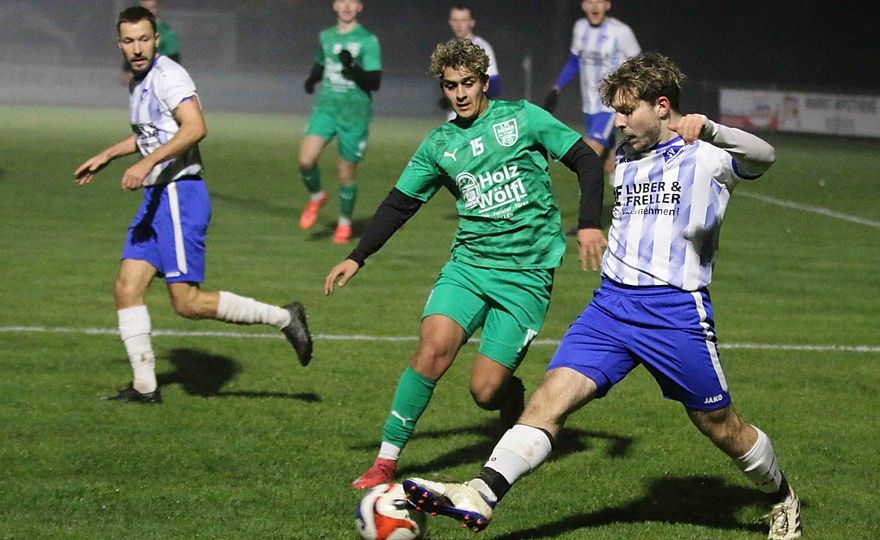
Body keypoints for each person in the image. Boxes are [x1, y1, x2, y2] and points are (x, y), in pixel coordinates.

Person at [403, 52, 803, 540]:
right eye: (615, 111)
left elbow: (765, 156)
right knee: (549, 400)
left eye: (626, 111)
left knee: (720, 424)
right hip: (610, 308)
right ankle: (481, 492)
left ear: (661, 106)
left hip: (673, 311)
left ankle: (780, 496)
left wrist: (713, 130)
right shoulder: (627, 157)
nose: (618, 122)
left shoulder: (707, 155)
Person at [324, 38, 606, 489]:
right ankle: (386, 460)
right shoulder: (439, 144)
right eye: (451, 85)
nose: (460, 93)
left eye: (468, 83)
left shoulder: (523, 118)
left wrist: (589, 223)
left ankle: (510, 393)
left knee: (485, 391)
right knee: (431, 350)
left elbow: (587, 161)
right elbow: (400, 203)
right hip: (469, 266)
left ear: (484, 82)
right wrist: (358, 256)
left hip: (526, 274)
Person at [73, 6, 313, 403]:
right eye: (129, 41)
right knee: (126, 288)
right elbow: (151, 134)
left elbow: (196, 127)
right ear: (120, 45)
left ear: (156, 39)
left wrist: (146, 164)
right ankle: (145, 387)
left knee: (186, 303)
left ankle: (284, 317)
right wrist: (109, 154)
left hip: (179, 195)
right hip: (156, 198)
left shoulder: (169, 76)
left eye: (144, 39)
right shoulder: (139, 81)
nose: (137, 48)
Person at [298, 0, 382, 244]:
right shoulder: (326, 36)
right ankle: (316, 197)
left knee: (345, 173)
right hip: (326, 109)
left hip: (354, 114)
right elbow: (321, 62)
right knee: (305, 161)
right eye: (342, 1)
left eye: (352, 2)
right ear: (335, 5)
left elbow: (374, 81)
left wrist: (351, 65)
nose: (346, 6)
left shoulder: (368, 40)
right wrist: (311, 80)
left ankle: (344, 224)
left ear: (359, 7)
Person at [542, 0, 640, 179]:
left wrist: (631, 94)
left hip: (610, 105)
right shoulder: (580, 28)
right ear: (583, 6)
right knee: (608, 161)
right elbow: (574, 61)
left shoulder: (621, 31)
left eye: (599, 2)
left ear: (607, 5)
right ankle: (623, 190)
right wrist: (557, 86)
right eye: (590, 2)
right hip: (589, 105)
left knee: (589, 152)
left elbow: (639, 65)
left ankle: (586, 196)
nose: (594, 6)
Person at [447, 3, 501, 100]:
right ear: (450, 22)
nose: (459, 25)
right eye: (455, 20)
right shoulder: (448, 48)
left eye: (463, 20)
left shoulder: (481, 47)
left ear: (472, 22)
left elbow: (494, 85)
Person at [120, 0, 180, 85]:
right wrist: (126, 70)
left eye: (152, 8)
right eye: (145, 8)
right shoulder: (134, 29)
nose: (147, 12)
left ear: (159, 8)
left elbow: (174, 59)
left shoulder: (167, 33)